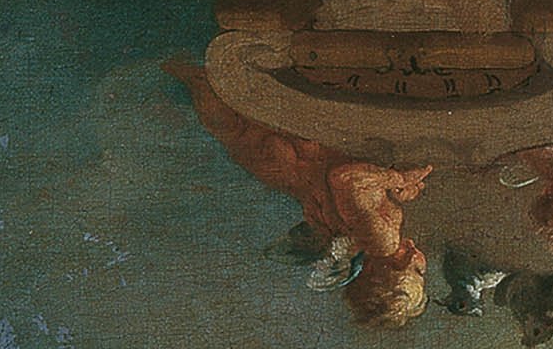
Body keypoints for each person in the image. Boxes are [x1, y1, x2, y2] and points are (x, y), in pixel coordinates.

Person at [165, 64, 430, 324]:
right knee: (232, 128)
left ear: (399, 268)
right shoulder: (362, 243)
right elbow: (352, 199)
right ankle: (186, 70)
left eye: (419, 272)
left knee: (237, 115)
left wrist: (398, 178)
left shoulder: (383, 242)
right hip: (285, 169)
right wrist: (394, 188)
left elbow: (344, 180)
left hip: (303, 155)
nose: (422, 263)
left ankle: (186, 66)